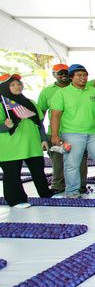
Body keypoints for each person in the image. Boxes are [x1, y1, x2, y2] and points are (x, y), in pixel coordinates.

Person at [50, 64, 95, 197]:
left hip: (94, 133)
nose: (83, 77)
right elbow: (55, 116)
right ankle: (72, 191)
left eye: (85, 75)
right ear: (71, 77)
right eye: (79, 75)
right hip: (71, 133)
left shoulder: (92, 91)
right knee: (72, 163)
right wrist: (55, 135)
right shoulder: (61, 93)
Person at [0, 73, 52, 208]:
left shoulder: (30, 102)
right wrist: (5, 126)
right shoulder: (1, 105)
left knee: (38, 171)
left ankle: (46, 194)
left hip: (32, 144)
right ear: (4, 87)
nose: (17, 87)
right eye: (12, 85)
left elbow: (39, 123)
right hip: (10, 146)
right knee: (12, 174)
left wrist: (43, 139)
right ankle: (16, 200)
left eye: (19, 84)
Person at [37, 63, 87, 194]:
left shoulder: (81, 88)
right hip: (56, 132)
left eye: (66, 73)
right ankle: (58, 185)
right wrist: (43, 136)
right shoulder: (47, 91)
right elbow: (40, 115)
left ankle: (81, 185)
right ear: (54, 74)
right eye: (60, 73)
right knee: (58, 162)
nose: (63, 75)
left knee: (79, 160)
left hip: (77, 132)